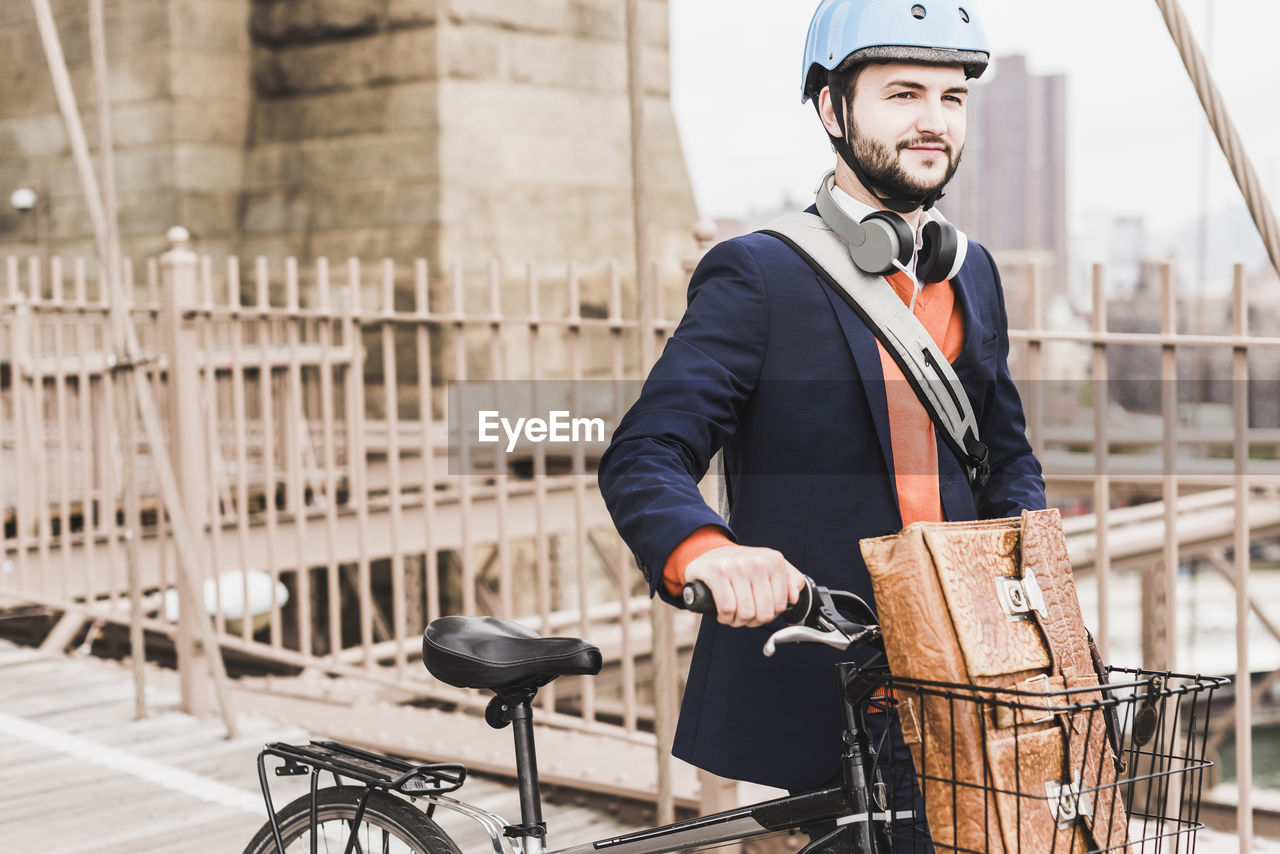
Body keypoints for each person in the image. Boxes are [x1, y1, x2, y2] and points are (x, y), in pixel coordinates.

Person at [598, 0, 1046, 837]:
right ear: (832, 110)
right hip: (830, 674)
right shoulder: (759, 276)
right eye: (903, 94)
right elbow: (646, 450)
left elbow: (1005, 456)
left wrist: (1033, 583)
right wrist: (710, 551)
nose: (934, 122)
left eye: (952, 100)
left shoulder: (971, 273)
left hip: (969, 674)